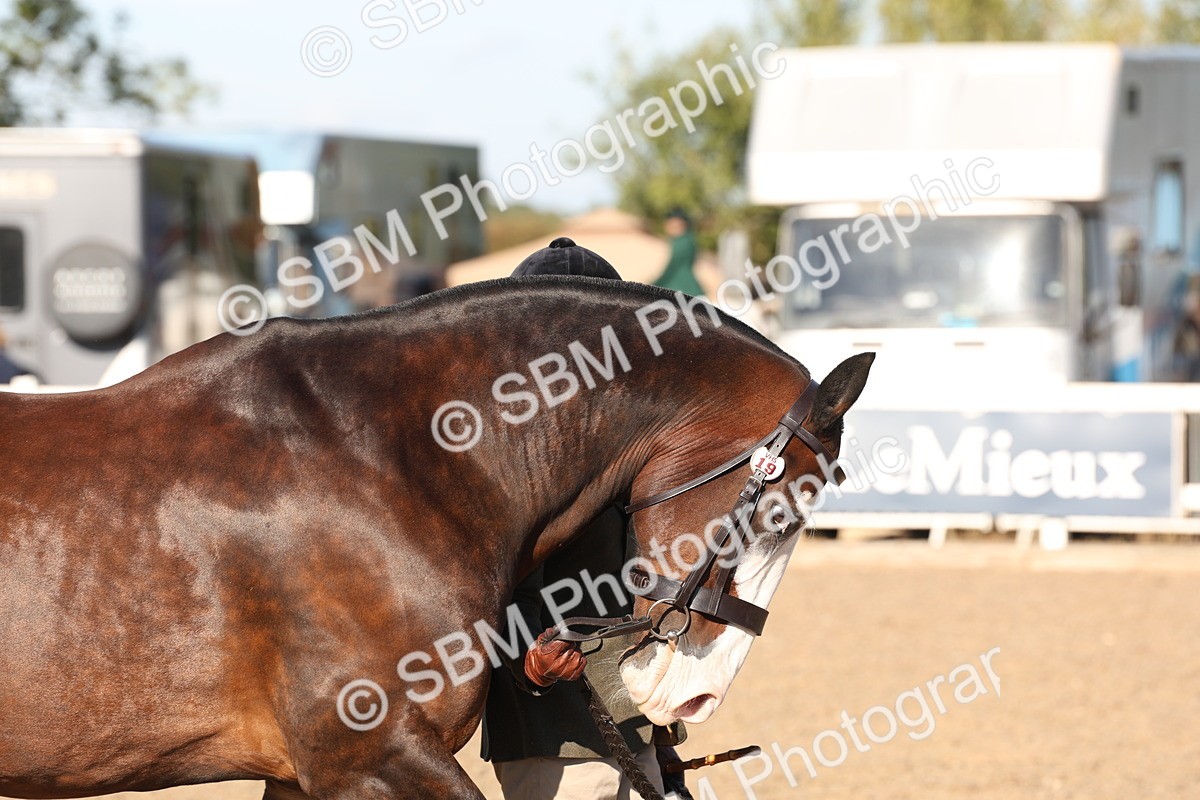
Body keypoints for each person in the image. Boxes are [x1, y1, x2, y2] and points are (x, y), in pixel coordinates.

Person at [482, 236, 691, 800]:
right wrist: (527, 670)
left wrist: (663, 738)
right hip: (551, 737)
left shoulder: (628, 442)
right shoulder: (498, 453)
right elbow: (475, 588)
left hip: (633, 723)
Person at [653, 209, 704, 297]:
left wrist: (652, 286)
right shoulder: (687, 240)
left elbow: (671, 269)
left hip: (685, 292)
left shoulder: (682, 243)